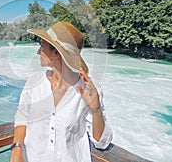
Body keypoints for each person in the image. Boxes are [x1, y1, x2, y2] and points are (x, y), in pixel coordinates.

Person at [10, 21, 113, 162]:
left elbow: (101, 143)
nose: (38, 52)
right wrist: (17, 149)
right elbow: (22, 116)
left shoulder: (88, 90)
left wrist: (96, 110)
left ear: (56, 53)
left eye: (42, 46)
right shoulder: (34, 82)